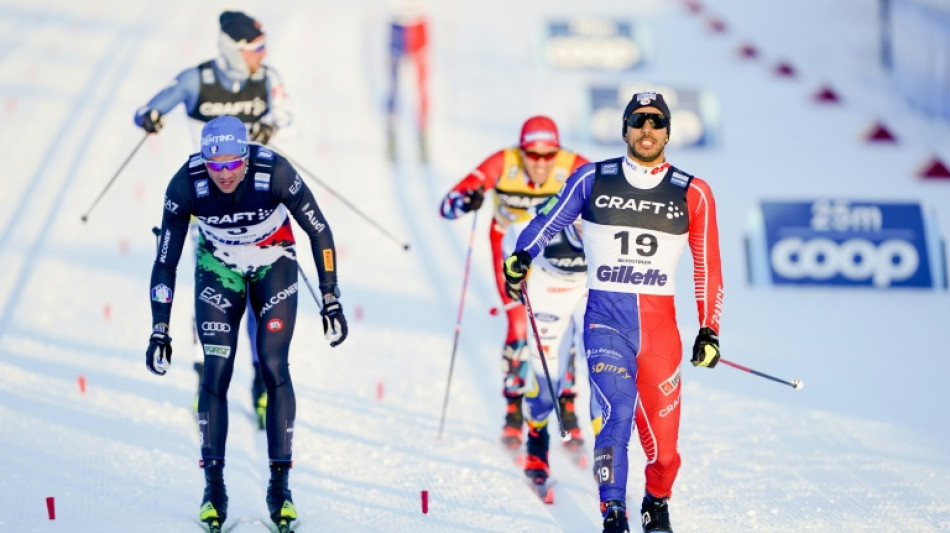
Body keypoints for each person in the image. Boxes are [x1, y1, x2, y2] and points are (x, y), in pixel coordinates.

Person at [503, 92, 724, 533]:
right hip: (606, 321)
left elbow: (708, 265)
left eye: (656, 121)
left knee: (664, 452)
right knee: (615, 416)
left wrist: (709, 329)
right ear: (624, 129)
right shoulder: (592, 179)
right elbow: (548, 220)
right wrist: (522, 255)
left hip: (660, 333)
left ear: (667, 131)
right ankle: (613, 514)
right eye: (638, 120)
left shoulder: (694, 191)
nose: (647, 129)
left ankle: (656, 503)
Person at [144, 116, 348, 532]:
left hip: (274, 261)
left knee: (274, 365)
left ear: (246, 156)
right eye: (213, 165)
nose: (223, 174)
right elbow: (165, 260)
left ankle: (280, 486)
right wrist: (159, 327)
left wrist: (330, 297)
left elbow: (319, 231)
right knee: (216, 371)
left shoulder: (274, 170)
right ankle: (213, 489)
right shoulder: (185, 183)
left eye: (232, 164)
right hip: (218, 267)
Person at [134, 10, 292, 429]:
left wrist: (269, 130)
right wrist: (150, 117)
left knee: (261, 299)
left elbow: (285, 115)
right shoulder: (196, 80)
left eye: (264, 46)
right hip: (208, 208)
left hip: (258, 206)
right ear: (234, 49)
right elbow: (150, 107)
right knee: (212, 296)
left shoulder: (267, 78)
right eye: (256, 48)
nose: (263, 54)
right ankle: (206, 377)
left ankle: (262, 384)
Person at [439, 116, 589, 450]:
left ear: (558, 152)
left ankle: (566, 403)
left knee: (567, 326)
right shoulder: (503, 162)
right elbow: (447, 207)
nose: (539, 163)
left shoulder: (574, 165)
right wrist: (468, 199)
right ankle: (513, 410)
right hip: (510, 252)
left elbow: (608, 203)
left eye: (547, 155)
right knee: (519, 326)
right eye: (531, 155)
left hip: (555, 256)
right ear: (521, 152)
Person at [502, 212, 588, 493]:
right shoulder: (555, 215)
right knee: (546, 385)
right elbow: (514, 231)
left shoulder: (610, 224)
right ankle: (537, 449)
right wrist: (514, 276)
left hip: (589, 287)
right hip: (548, 288)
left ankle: (610, 464)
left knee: (606, 373)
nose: (588, 233)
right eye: (581, 225)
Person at [386, 0, 430, 162]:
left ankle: (422, 134)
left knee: (420, 87)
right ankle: (391, 131)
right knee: (394, 85)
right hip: (397, 25)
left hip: (418, 26)